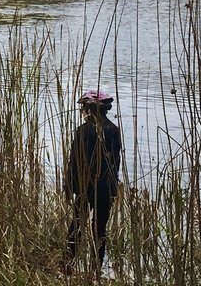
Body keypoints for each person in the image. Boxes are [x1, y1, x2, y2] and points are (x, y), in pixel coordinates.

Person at [63, 89, 122, 278]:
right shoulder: (113, 130)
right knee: (100, 230)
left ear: (89, 110)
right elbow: (115, 163)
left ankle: (67, 266)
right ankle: (96, 271)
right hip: (105, 188)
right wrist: (113, 188)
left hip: (84, 187)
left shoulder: (83, 130)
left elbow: (74, 161)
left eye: (83, 108)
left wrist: (68, 185)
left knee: (76, 226)